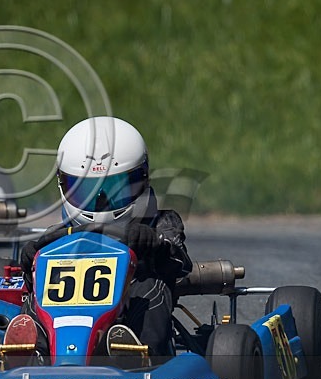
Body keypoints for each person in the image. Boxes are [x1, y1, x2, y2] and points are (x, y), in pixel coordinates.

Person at [15, 116, 192, 364]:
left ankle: (140, 356)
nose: (102, 203)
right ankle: (31, 352)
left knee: (152, 287)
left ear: (142, 179)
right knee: (36, 295)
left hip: (129, 315)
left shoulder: (161, 223)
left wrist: (155, 246)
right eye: (87, 191)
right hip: (62, 319)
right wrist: (30, 262)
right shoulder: (59, 236)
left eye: (116, 189)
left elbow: (181, 264)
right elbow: (27, 279)